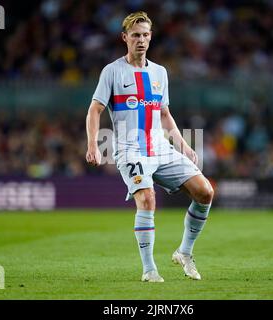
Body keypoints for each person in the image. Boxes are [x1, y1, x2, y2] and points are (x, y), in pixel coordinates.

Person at [85, 11, 214, 282]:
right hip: (130, 150)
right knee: (147, 198)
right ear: (125, 38)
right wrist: (94, 145)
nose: (141, 40)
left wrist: (183, 145)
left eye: (145, 35)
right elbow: (95, 110)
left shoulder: (159, 73)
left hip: (160, 148)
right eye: (135, 35)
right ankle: (149, 270)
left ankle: (184, 252)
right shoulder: (112, 71)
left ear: (151, 36)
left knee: (205, 192)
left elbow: (164, 114)